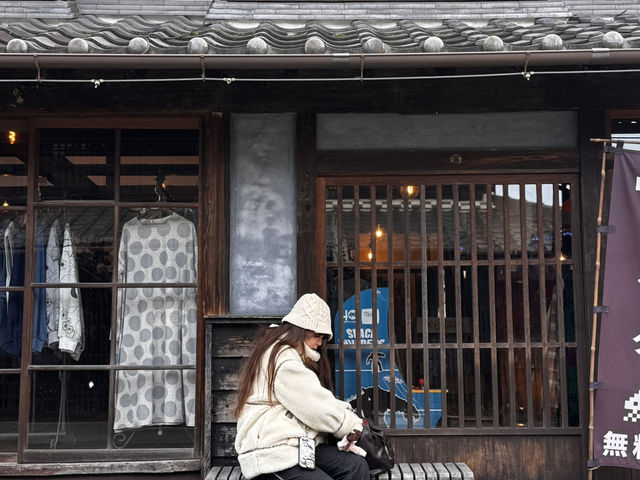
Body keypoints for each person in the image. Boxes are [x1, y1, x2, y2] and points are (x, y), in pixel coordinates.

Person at [234, 293, 369, 480]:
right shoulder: (283, 357)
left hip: (296, 446)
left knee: (355, 466)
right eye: (317, 335)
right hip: (271, 451)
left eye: (323, 337)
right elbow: (315, 405)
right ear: (302, 330)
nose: (320, 343)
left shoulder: (292, 355)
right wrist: (352, 424)